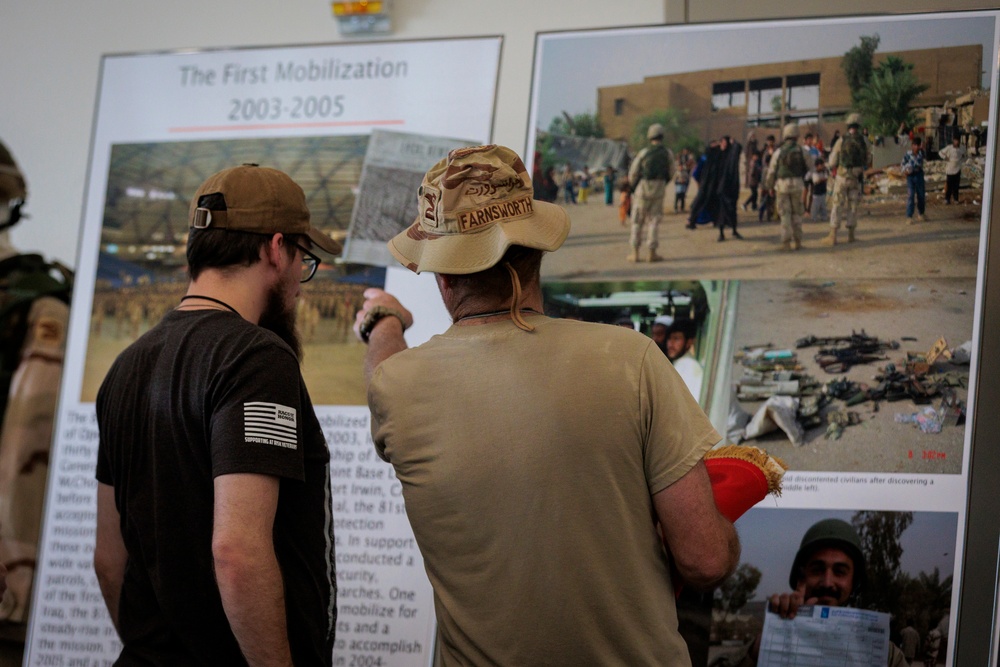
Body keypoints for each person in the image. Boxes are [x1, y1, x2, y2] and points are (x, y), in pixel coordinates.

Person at [355, 144, 739, 665]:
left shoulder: (395, 389)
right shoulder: (632, 360)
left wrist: (384, 320)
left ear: (442, 274)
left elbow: (383, 368)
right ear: (537, 250)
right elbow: (706, 559)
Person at [94, 164, 338, 664]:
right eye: (302, 258)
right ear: (275, 248)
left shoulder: (126, 366)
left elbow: (108, 559)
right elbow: (238, 553)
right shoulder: (256, 358)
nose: (299, 278)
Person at [729, 518, 907, 666]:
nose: (828, 583)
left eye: (840, 571)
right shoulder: (765, 645)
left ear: (855, 583)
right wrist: (760, 649)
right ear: (801, 579)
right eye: (817, 569)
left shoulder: (886, 655)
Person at [627, 123, 675, 262]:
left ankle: (635, 253)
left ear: (650, 136)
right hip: (659, 190)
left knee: (637, 221)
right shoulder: (668, 153)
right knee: (654, 222)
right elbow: (672, 172)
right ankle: (651, 254)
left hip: (643, 190)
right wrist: (662, 183)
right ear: (662, 136)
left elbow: (633, 172)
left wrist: (633, 186)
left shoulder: (644, 152)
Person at [766, 123, 813, 251]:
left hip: (782, 186)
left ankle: (786, 244)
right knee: (797, 214)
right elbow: (811, 167)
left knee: (785, 214)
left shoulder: (778, 152)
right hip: (798, 185)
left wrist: (769, 186)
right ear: (797, 135)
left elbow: (771, 171)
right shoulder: (802, 150)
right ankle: (798, 242)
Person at [825, 113, 869, 245]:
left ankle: (833, 236)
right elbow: (868, 159)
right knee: (853, 206)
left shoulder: (841, 140)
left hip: (842, 177)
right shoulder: (864, 140)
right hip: (855, 178)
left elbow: (832, 161)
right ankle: (851, 235)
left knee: (837, 204)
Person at [665, 318, 704, 401]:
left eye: (676, 339)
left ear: (689, 342)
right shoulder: (680, 364)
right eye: (669, 338)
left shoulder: (688, 365)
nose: (670, 344)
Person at [902, 136, 927, 223]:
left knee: (921, 195)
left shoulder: (921, 153)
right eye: (915, 145)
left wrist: (923, 147)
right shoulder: (908, 155)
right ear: (912, 145)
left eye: (918, 145)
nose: (916, 147)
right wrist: (905, 171)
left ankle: (921, 213)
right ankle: (909, 216)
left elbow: (927, 156)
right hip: (910, 176)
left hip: (919, 174)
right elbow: (903, 164)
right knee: (910, 195)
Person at [938, 135, 967, 205]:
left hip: (957, 169)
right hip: (950, 169)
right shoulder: (949, 148)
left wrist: (963, 158)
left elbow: (965, 155)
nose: (956, 142)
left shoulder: (962, 148)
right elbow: (940, 152)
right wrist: (945, 157)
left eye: (957, 141)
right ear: (953, 141)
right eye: (955, 140)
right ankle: (947, 199)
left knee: (956, 186)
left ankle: (956, 199)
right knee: (949, 185)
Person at [807, 158, 830, 222]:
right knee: (815, 206)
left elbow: (826, 177)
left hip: (823, 191)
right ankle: (814, 217)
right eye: (821, 165)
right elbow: (816, 180)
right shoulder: (814, 172)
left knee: (823, 206)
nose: (822, 166)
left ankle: (824, 217)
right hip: (816, 192)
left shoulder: (824, 171)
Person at [675, 147, 694, 213]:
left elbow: (691, 163)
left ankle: (684, 193)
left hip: (687, 171)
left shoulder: (689, 157)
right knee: (677, 195)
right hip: (680, 173)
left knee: (686, 183)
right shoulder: (680, 157)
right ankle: (676, 207)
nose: (685, 152)